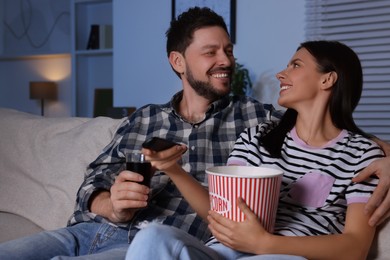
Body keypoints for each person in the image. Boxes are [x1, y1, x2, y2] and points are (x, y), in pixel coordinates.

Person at [0, 7, 389, 260]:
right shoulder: (144, 119)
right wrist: (111, 203)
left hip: (152, 245)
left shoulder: (254, 119)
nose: (226, 61)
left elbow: (336, 138)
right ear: (178, 61)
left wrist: (387, 155)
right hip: (91, 231)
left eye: (228, 50)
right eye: (211, 53)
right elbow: (92, 182)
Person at [125, 40, 385, 260]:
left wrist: (264, 244)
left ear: (327, 79)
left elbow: (355, 246)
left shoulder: (362, 155)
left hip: (283, 255)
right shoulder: (257, 138)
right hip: (225, 252)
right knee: (153, 236)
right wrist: (173, 169)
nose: (281, 74)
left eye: (295, 65)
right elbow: (220, 211)